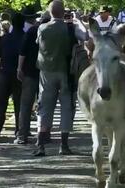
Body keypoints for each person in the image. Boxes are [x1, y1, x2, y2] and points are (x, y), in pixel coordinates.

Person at [34, 0, 88, 156]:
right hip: (66, 72)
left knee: (45, 107)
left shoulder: (42, 28)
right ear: (63, 12)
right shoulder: (70, 28)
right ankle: (64, 145)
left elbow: (39, 44)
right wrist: (78, 21)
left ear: (50, 12)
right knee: (66, 107)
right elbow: (86, 37)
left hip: (46, 72)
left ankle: (41, 146)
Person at [14, 11, 47, 145]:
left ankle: (22, 135)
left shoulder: (32, 30)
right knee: (45, 105)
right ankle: (44, 134)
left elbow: (23, 51)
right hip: (46, 73)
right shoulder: (53, 30)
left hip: (29, 72)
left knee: (26, 105)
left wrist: (19, 68)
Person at [0, 13, 25, 137]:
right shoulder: (25, 38)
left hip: (3, 73)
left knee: (1, 103)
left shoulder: (4, 38)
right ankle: (19, 130)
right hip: (19, 74)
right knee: (19, 103)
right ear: (23, 23)